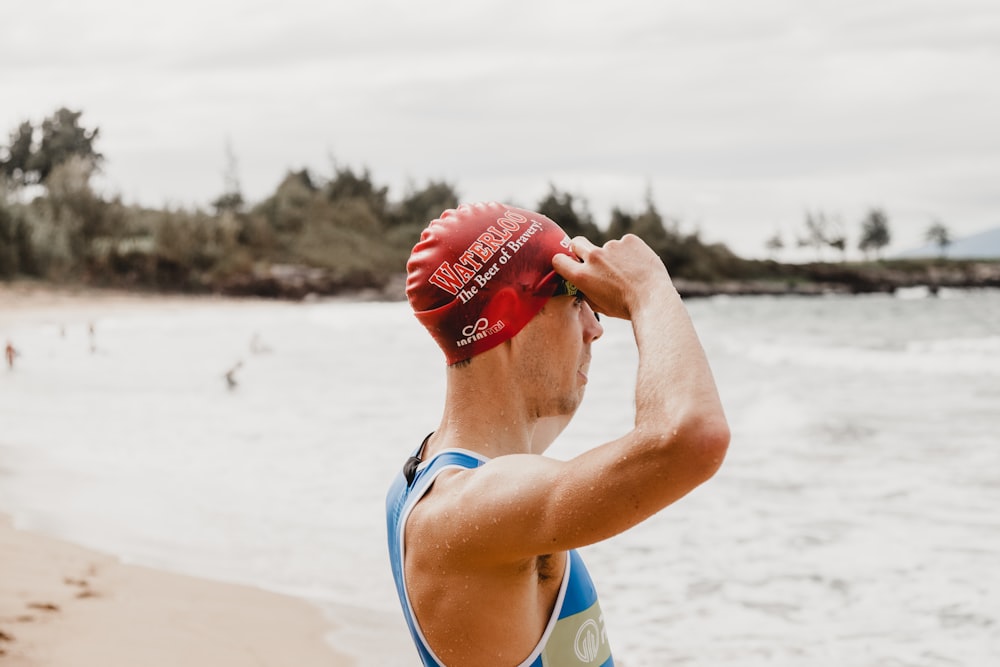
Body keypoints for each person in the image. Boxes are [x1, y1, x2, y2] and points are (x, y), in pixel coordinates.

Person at [386, 202, 730, 666]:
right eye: (575, 301)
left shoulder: (427, 476)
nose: (596, 327)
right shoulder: (469, 510)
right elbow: (690, 437)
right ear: (508, 315)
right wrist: (649, 289)